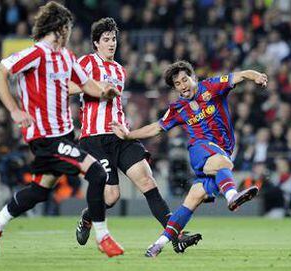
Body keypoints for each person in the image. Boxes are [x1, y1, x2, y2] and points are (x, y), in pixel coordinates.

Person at [0, 2, 123, 259]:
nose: (69, 32)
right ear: (60, 27)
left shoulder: (67, 57)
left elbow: (86, 84)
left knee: (39, 190)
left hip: (64, 135)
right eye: (68, 27)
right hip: (45, 137)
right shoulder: (36, 54)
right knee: (96, 173)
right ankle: (103, 237)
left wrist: (105, 91)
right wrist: (14, 110)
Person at [70, 18, 201, 253]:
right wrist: (94, 87)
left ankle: (176, 235)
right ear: (96, 43)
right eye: (106, 40)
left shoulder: (120, 70)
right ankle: (88, 217)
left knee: (147, 181)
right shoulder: (86, 63)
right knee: (111, 197)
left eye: (114, 39)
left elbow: (114, 104)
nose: (112, 44)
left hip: (121, 136)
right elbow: (67, 86)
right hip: (95, 138)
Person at [111, 60, 267, 257]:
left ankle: (158, 244)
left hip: (220, 151)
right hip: (199, 149)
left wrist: (257, 76)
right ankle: (231, 197)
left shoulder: (212, 87)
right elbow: (156, 127)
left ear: (194, 78)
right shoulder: (177, 108)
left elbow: (241, 75)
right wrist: (128, 135)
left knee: (193, 198)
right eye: (177, 84)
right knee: (224, 163)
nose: (183, 86)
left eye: (185, 80)